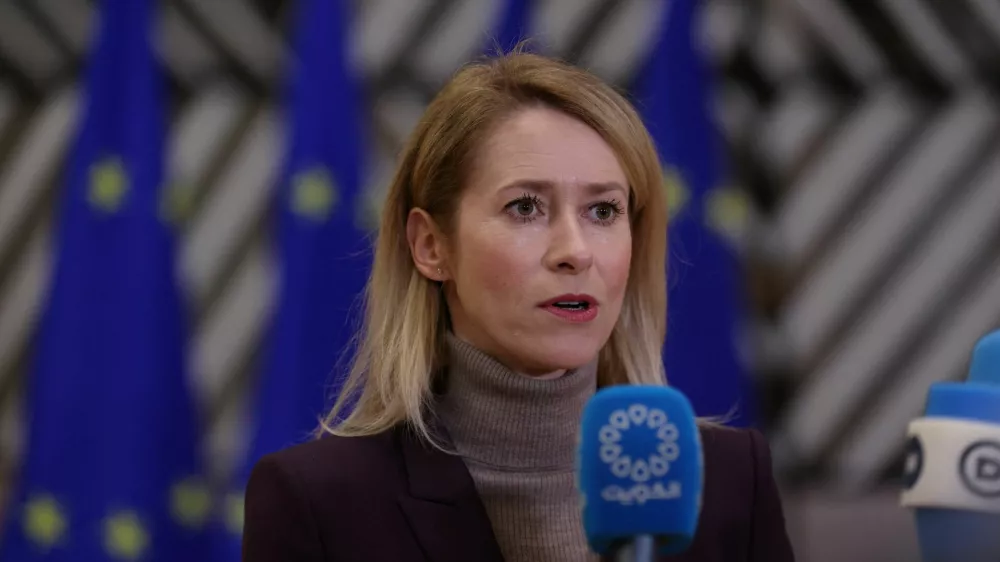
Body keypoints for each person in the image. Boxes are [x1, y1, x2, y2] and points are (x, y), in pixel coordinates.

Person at [242, 50, 795, 562]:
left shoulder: (727, 484)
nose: (575, 252)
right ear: (431, 246)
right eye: (525, 207)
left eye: (603, 211)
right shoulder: (318, 503)